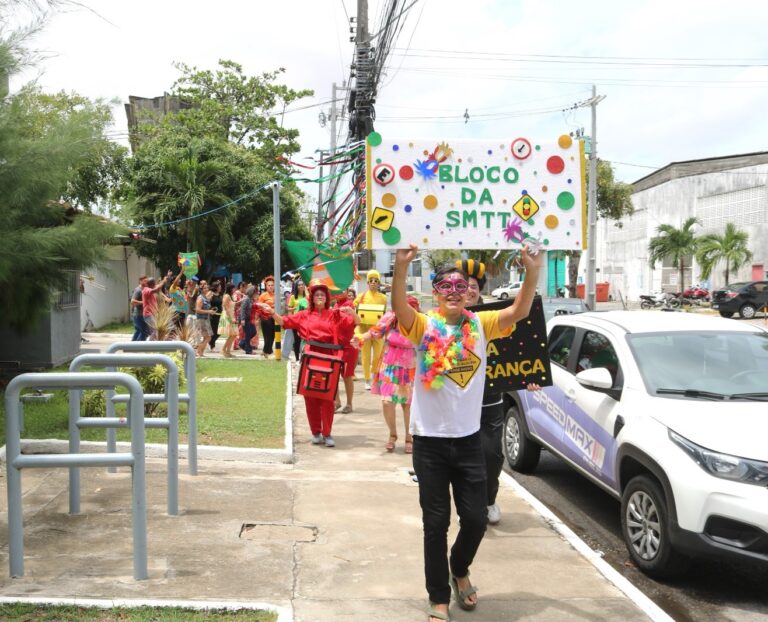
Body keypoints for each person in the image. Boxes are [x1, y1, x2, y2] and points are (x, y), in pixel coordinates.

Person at [392, 243, 542, 622]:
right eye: (446, 286)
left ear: (471, 291)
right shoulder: (424, 325)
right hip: (429, 443)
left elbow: (520, 310)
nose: (455, 291)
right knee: (435, 523)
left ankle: (459, 568)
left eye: (462, 285)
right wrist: (399, 266)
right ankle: (438, 597)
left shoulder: (481, 324)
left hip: (468, 439)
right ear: (435, 292)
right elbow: (399, 308)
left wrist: (532, 269)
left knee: (475, 519)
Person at [460, 258, 540, 526]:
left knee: (491, 456)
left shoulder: (495, 315)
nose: (468, 290)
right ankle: (467, 507)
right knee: (458, 462)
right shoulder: (444, 320)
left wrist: (529, 375)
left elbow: (521, 350)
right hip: (457, 406)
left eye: (473, 285)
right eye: (462, 285)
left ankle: (488, 499)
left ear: (479, 289)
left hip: (489, 404)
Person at [270, 279, 357, 448]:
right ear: (312, 297)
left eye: (322, 295)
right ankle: (316, 432)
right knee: (310, 396)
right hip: (310, 356)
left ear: (326, 298)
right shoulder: (304, 315)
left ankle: (327, 433)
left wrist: (351, 312)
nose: (319, 297)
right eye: (316, 294)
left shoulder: (334, 314)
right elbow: (285, 322)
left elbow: (354, 323)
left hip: (329, 358)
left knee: (327, 397)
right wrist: (271, 312)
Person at [359, 294, 419, 453]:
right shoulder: (390, 318)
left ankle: (409, 437)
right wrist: (360, 338)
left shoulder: (419, 323)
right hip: (390, 366)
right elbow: (374, 332)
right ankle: (392, 434)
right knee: (387, 402)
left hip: (410, 367)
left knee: (408, 405)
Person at [354, 270, 388, 390]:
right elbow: (355, 310)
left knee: (378, 355)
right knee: (365, 355)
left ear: (379, 283)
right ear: (367, 283)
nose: (373, 283)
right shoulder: (361, 296)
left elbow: (385, 314)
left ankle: (375, 377)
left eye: (376, 281)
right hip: (364, 329)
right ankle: (367, 379)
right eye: (371, 281)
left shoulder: (383, 298)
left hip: (378, 331)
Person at [334, 287, 361, 413]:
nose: (339, 293)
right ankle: (337, 401)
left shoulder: (349, 304)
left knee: (346, 375)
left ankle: (349, 403)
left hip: (348, 346)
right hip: (334, 346)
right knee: (333, 375)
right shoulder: (335, 304)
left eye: (342, 290)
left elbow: (350, 322)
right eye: (337, 291)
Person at [194, 280, 216, 357]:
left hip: (205, 319)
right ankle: (198, 352)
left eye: (207, 288)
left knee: (207, 337)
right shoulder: (200, 298)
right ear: (202, 290)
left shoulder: (205, 297)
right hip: (201, 320)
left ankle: (200, 353)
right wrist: (209, 311)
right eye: (205, 288)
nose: (207, 289)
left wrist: (210, 311)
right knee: (208, 337)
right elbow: (197, 310)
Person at [142, 275, 167, 340]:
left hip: (151, 314)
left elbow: (157, 286)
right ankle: (150, 345)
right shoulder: (146, 290)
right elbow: (156, 289)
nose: (156, 284)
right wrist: (163, 282)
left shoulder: (149, 288)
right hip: (148, 314)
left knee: (155, 331)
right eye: (155, 283)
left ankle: (152, 345)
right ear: (152, 284)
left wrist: (165, 278)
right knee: (154, 331)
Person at [257, 276, 277, 359]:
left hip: (274, 317)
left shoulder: (276, 295)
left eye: (272, 285)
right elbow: (258, 305)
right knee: (267, 335)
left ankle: (266, 350)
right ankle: (267, 351)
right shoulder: (263, 296)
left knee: (273, 335)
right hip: (265, 318)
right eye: (269, 285)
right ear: (266, 286)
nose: (270, 286)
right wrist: (265, 306)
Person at [218, 282, 238, 358]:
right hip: (228, 316)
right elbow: (226, 307)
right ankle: (223, 350)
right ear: (230, 288)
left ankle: (228, 351)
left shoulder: (230, 296)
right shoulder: (226, 296)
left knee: (233, 334)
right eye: (233, 288)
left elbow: (232, 305)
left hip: (231, 315)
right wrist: (231, 318)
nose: (234, 289)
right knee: (233, 334)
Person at [239, 285, 256, 354]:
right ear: (252, 292)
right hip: (244, 318)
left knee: (253, 332)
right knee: (248, 333)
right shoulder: (246, 299)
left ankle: (242, 343)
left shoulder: (250, 299)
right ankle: (248, 350)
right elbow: (242, 309)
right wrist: (242, 319)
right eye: (255, 292)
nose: (256, 293)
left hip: (249, 318)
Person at [130, 275, 148, 341]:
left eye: (147, 281)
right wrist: (144, 302)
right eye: (145, 281)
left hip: (141, 314)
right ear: (140, 281)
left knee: (139, 331)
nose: (146, 282)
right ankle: (140, 347)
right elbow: (132, 301)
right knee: (144, 331)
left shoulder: (144, 289)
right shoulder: (138, 290)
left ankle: (133, 346)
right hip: (138, 315)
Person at [208, 281, 223, 351]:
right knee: (214, 330)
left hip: (220, 314)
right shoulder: (211, 293)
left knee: (220, 331)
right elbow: (206, 302)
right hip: (213, 315)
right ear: (216, 287)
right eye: (219, 287)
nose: (221, 288)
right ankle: (212, 345)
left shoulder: (219, 294)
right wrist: (210, 309)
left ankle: (211, 342)